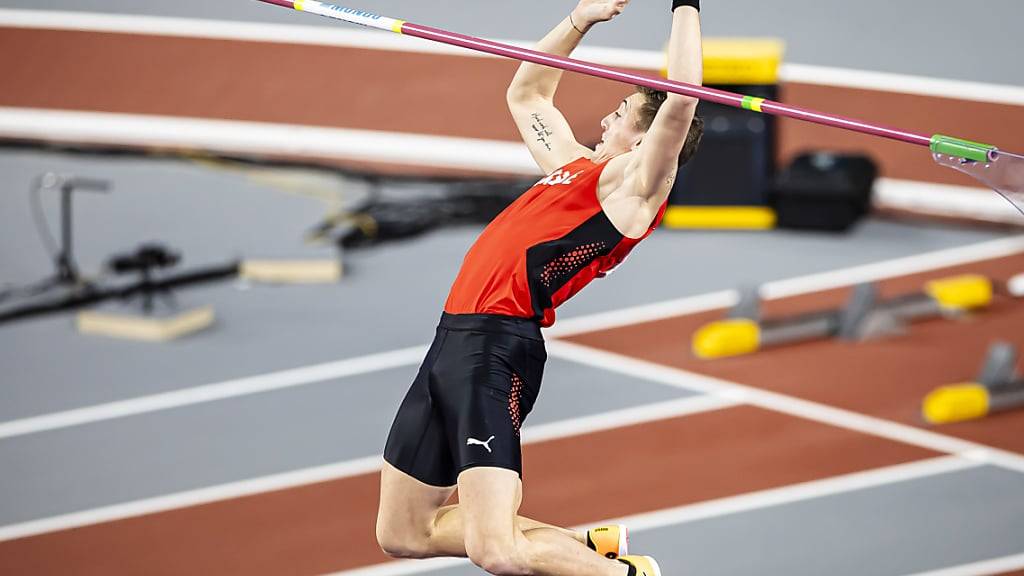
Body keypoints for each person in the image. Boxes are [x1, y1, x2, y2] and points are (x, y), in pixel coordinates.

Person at [376, 1, 703, 574]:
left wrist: (685, 5)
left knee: (496, 551)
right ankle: (585, 552)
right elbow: (527, 94)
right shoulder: (573, 167)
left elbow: (682, 100)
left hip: (496, 351)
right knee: (403, 533)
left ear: (643, 138)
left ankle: (620, 575)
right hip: (451, 342)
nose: (606, 119)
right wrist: (580, 19)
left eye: (621, 112)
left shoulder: (633, 190)